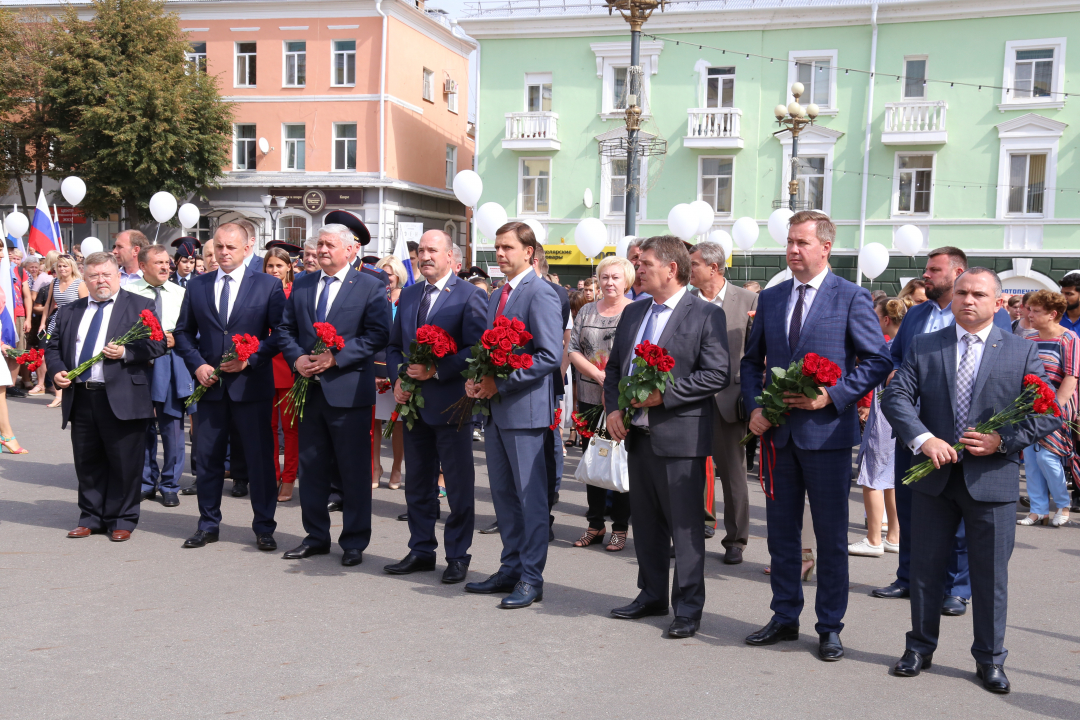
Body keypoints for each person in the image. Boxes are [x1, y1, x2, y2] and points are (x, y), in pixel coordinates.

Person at [880, 268, 1059, 693]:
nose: (968, 300)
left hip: (991, 482)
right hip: (933, 479)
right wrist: (923, 440)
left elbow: (1047, 411)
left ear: (999, 303)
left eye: (979, 294)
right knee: (924, 570)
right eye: (962, 292)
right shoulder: (925, 346)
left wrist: (1002, 440)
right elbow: (896, 396)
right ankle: (920, 648)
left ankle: (991, 659)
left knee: (990, 576)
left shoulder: (1020, 351)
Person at [741, 210, 891, 661]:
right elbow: (751, 363)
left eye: (801, 243)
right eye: (789, 242)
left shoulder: (850, 297)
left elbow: (877, 360)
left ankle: (829, 626)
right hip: (778, 437)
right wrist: (754, 408)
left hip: (826, 438)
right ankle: (785, 616)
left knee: (829, 537)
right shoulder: (772, 298)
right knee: (781, 536)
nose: (792, 250)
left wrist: (833, 396)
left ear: (825, 246)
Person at [871, 246, 1012, 612]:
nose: (927, 275)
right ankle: (908, 577)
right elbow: (897, 355)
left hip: (967, 434)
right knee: (912, 505)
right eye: (927, 269)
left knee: (962, 513)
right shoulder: (917, 315)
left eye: (934, 269)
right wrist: (894, 373)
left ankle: (956, 588)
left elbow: (1001, 370)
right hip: (915, 430)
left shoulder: (992, 320)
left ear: (958, 271)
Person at [603, 235, 730, 639]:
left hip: (681, 440)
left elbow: (716, 374)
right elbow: (615, 371)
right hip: (637, 439)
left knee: (686, 530)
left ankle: (688, 607)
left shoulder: (705, 314)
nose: (637, 268)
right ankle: (652, 594)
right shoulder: (633, 312)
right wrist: (614, 409)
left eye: (645, 263)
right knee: (647, 523)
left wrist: (667, 395)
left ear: (671, 269)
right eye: (637, 262)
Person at [277, 223, 390, 566]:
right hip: (308, 390)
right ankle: (315, 536)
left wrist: (336, 357)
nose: (322, 249)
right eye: (319, 244)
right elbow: (285, 329)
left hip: (349, 392)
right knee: (312, 468)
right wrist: (297, 358)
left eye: (328, 244)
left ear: (349, 250)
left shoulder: (370, 286)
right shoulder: (304, 283)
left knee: (353, 470)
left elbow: (378, 335)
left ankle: (354, 541)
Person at [463, 221, 561, 609]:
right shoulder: (496, 295)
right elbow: (490, 353)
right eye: (497, 247)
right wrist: (478, 379)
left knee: (529, 499)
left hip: (527, 412)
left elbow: (550, 356)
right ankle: (510, 567)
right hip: (497, 412)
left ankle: (531, 578)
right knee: (503, 497)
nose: (499, 253)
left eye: (507, 247)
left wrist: (499, 385)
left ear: (529, 252)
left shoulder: (541, 293)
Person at [173, 222, 287, 552]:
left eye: (231, 247)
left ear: (247, 248)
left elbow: (280, 333)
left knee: (259, 460)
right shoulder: (198, 286)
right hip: (209, 387)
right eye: (219, 246)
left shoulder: (267, 286)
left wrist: (250, 360)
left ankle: (264, 526)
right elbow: (182, 332)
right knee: (207, 459)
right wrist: (197, 364)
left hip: (251, 388)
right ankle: (208, 524)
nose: (223, 253)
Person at [384, 229, 486, 582]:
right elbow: (394, 344)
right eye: (420, 250)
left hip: (451, 405)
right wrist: (400, 376)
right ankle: (421, 549)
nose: (424, 256)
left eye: (432, 250)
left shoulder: (470, 296)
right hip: (414, 406)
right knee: (418, 483)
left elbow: (476, 349)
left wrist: (437, 370)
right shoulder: (410, 294)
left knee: (457, 485)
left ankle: (458, 555)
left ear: (449, 257)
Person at [45, 252, 166, 541]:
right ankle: (90, 517)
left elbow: (158, 345)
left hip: (124, 396)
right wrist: (58, 371)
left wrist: (126, 353)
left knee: (124, 462)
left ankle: (122, 518)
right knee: (87, 461)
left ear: (118, 276)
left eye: (106, 275)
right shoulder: (69, 311)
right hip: (82, 396)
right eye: (94, 275)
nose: (100, 280)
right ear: (84, 278)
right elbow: (52, 349)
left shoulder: (140, 305)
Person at [689, 240, 758, 564]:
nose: (688, 271)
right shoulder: (686, 301)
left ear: (713, 268)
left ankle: (736, 540)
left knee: (732, 475)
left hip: (730, 401)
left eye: (694, 265)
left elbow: (757, 354)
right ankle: (695, 530)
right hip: (689, 400)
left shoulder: (747, 300)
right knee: (689, 473)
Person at [568, 256, 634, 551]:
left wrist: (614, 383)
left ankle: (621, 527)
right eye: (604, 277)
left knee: (619, 463)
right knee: (593, 461)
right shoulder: (585, 311)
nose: (609, 282)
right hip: (590, 397)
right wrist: (597, 374)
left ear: (627, 281)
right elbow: (572, 350)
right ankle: (595, 523)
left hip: (621, 400)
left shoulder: (636, 311)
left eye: (615, 277)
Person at [128, 245, 192, 508]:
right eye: (159, 263)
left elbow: (193, 330)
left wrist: (178, 337)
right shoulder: (128, 293)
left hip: (171, 364)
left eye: (168, 262)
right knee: (141, 427)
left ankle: (169, 484)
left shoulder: (182, 294)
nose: (166, 267)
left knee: (172, 428)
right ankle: (145, 482)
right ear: (143, 266)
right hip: (138, 364)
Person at [849, 297, 906, 557]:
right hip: (899, 418)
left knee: (872, 477)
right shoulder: (906, 344)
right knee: (892, 478)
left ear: (885, 319)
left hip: (884, 416)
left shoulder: (888, 348)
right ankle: (894, 534)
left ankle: (874, 538)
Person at [1016, 290, 1078, 527]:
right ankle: (1038, 509)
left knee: (1048, 459)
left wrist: (1055, 409)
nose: (1029, 314)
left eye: (1035, 311)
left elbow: (1071, 378)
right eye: (1029, 309)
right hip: (1029, 407)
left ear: (1053, 314)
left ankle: (1062, 505)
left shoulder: (1068, 339)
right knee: (1031, 459)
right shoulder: (1028, 340)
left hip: (1055, 408)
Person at [263, 247, 299, 502]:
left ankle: (289, 478)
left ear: (289, 267)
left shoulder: (295, 293)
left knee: (291, 429)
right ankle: (272, 474)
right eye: (270, 266)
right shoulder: (259, 290)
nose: (274, 270)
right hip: (264, 365)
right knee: (268, 427)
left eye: (279, 266)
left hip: (287, 366)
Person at [374, 254, 409, 489]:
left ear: (399, 275)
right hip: (376, 368)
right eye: (383, 273)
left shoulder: (407, 298)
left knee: (398, 422)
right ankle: (375, 467)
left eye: (391, 273)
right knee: (375, 421)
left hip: (399, 369)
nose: (388, 278)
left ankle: (397, 467)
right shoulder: (374, 296)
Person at [40, 255, 88, 407]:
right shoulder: (54, 282)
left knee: (71, 355)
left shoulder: (80, 284)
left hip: (74, 322)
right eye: (59, 266)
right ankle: (58, 394)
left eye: (65, 266)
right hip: (56, 322)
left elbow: (86, 306)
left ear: (72, 267)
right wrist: (43, 323)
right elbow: (48, 304)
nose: (62, 269)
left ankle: (74, 393)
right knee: (53, 355)